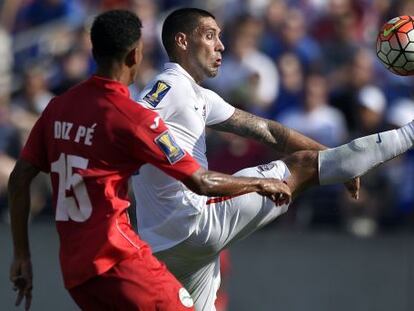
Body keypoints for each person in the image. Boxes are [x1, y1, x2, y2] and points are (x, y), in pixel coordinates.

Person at [8, 10, 293, 311]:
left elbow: (19, 179)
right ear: (135, 55)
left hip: (75, 271)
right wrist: (260, 181)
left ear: (94, 51)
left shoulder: (58, 108)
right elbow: (201, 181)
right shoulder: (133, 119)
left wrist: (22, 255)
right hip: (116, 257)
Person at [131, 8, 414, 311]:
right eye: (210, 35)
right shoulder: (170, 85)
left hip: (165, 244)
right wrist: (330, 164)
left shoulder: (200, 96)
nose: (220, 45)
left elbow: (269, 131)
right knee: (302, 167)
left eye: (220, 37)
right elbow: (135, 122)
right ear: (182, 41)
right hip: (194, 222)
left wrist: (330, 157)